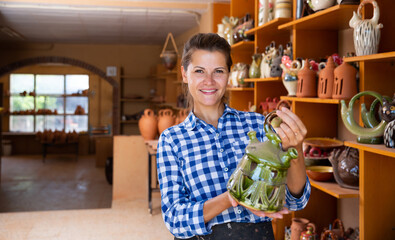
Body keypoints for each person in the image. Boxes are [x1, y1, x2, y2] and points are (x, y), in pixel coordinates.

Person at [156, 33, 311, 240]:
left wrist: (296, 149)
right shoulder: (172, 139)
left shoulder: (257, 124)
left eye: (218, 71)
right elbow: (176, 219)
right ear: (185, 74)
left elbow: (295, 202)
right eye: (199, 71)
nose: (209, 81)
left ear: (229, 74)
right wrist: (231, 198)